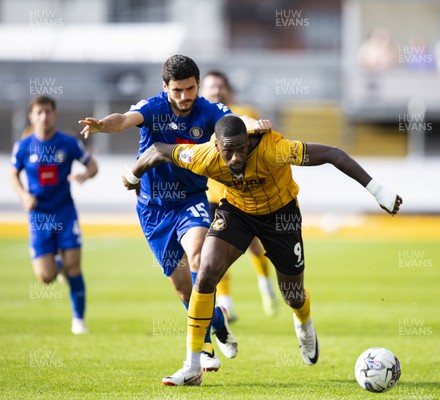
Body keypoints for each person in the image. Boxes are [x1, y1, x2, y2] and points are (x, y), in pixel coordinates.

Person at [122, 115, 402, 386]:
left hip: (281, 215)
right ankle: (193, 366)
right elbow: (158, 150)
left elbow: (333, 153)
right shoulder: (201, 156)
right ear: (216, 146)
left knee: (292, 295)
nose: (236, 158)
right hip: (238, 212)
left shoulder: (275, 150)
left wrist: (379, 192)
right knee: (205, 273)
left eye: (241, 149)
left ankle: (303, 322)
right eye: (229, 151)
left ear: (248, 141)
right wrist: (133, 175)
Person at [78, 55, 271, 371]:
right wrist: (102, 126)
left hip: (191, 200)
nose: (185, 97)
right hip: (153, 210)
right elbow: (124, 119)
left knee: (197, 257)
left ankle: (205, 347)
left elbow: (235, 122)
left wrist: (254, 124)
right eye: (178, 90)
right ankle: (218, 321)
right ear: (165, 87)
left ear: (198, 84)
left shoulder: (207, 110)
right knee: (183, 287)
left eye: (191, 88)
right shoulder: (153, 108)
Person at [10, 95, 99, 335]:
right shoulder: (24, 146)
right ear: (31, 116)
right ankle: (55, 266)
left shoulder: (68, 143)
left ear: (54, 114)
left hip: (65, 212)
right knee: (45, 277)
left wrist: (85, 175)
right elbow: (12, 175)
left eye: (48, 111)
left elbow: (93, 165)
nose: (44, 116)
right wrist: (24, 196)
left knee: (74, 268)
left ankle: (78, 320)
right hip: (39, 216)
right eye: (39, 112)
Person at [200, 70, 277, 320]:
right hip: (213, 195)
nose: (216, 91)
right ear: (202, 91)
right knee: (214, 251)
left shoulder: (246, 115)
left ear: (227, 90)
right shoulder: (199, 120)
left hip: (244, 194)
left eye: (220, 86)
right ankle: (226, 305)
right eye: (211, 87)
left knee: (255, 247)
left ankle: (266, 285)